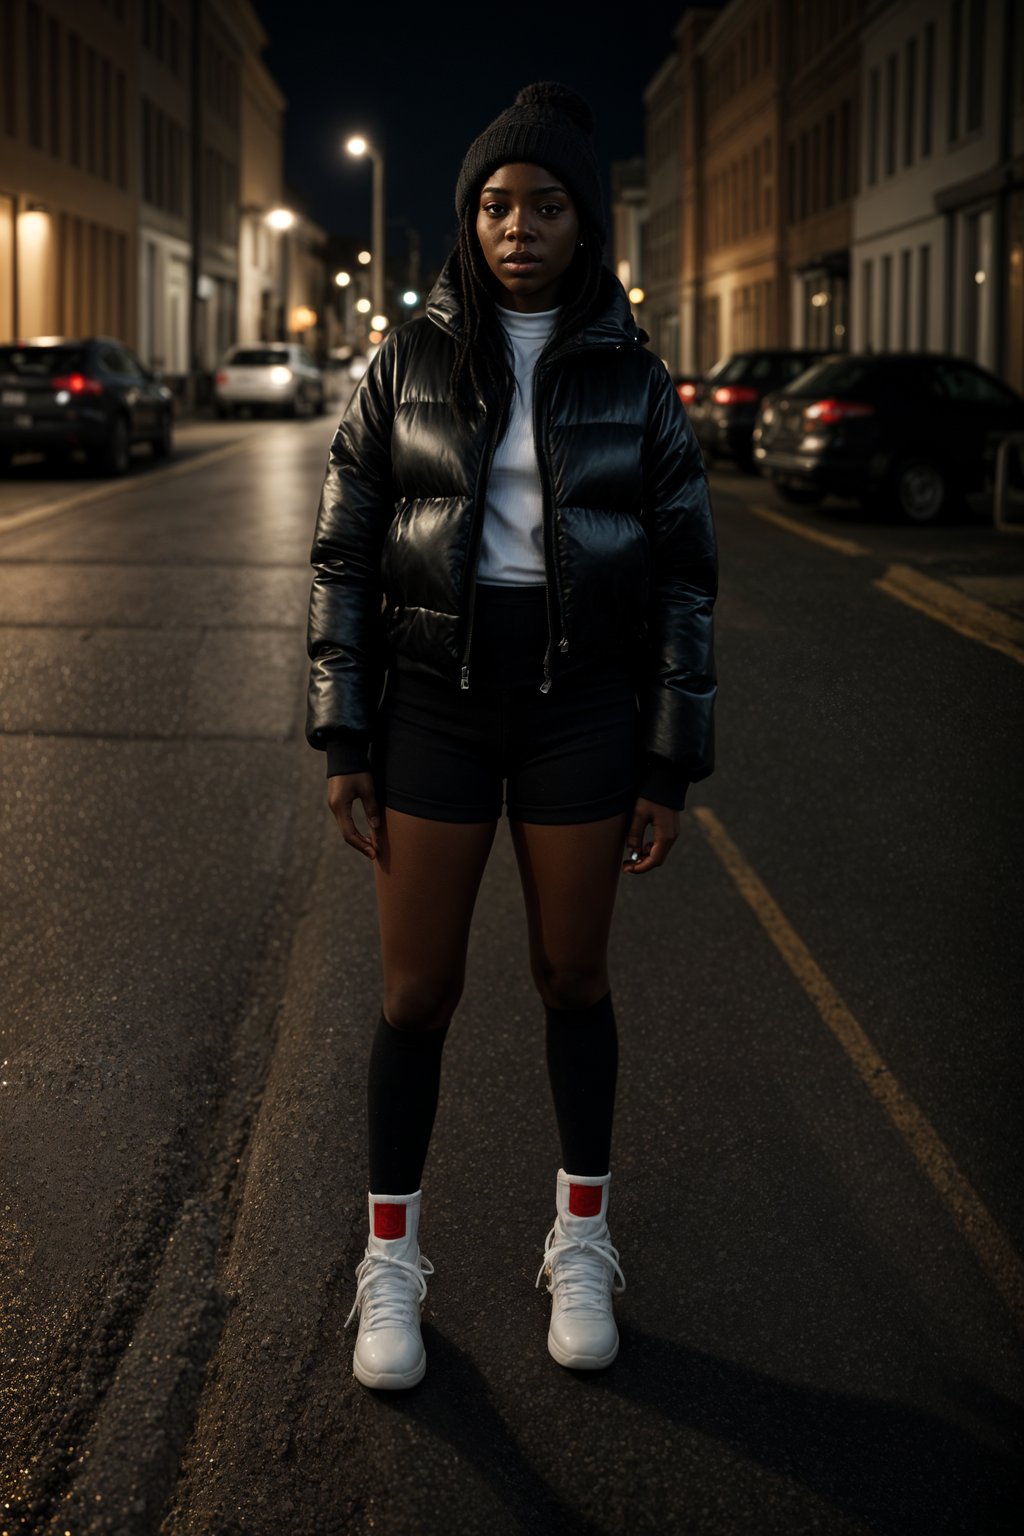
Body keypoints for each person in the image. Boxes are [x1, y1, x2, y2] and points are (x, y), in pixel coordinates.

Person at [306, 82, 717, 1391]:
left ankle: (580, 1241)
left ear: (584, 223)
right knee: (415, 993)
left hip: (581, 707)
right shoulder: (407, 364)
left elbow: (685, 579)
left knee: (573, 981)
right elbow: (346, 557)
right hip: (434, 698)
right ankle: (392, 1268)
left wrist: (667, 756)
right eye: (495, 204)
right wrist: (344, 734)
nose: (518, 227)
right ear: (469, 219)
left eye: (545, 205)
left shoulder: (635, 380)